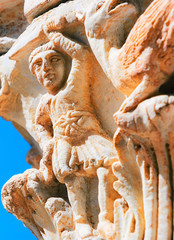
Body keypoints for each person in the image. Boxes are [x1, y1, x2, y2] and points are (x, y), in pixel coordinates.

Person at [30, 29, 119, 239]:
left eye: (54, 60)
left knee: (109, 166)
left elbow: (82, 55)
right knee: (73, 181)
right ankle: (82, 223)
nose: (47, 70)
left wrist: (57, 36)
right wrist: (47, 142)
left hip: (89, 135)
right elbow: (40, 125)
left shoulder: (73, 85)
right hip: (64, 142)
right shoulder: (45, 102)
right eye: (38, 66)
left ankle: (106, 218)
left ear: (65, 64)